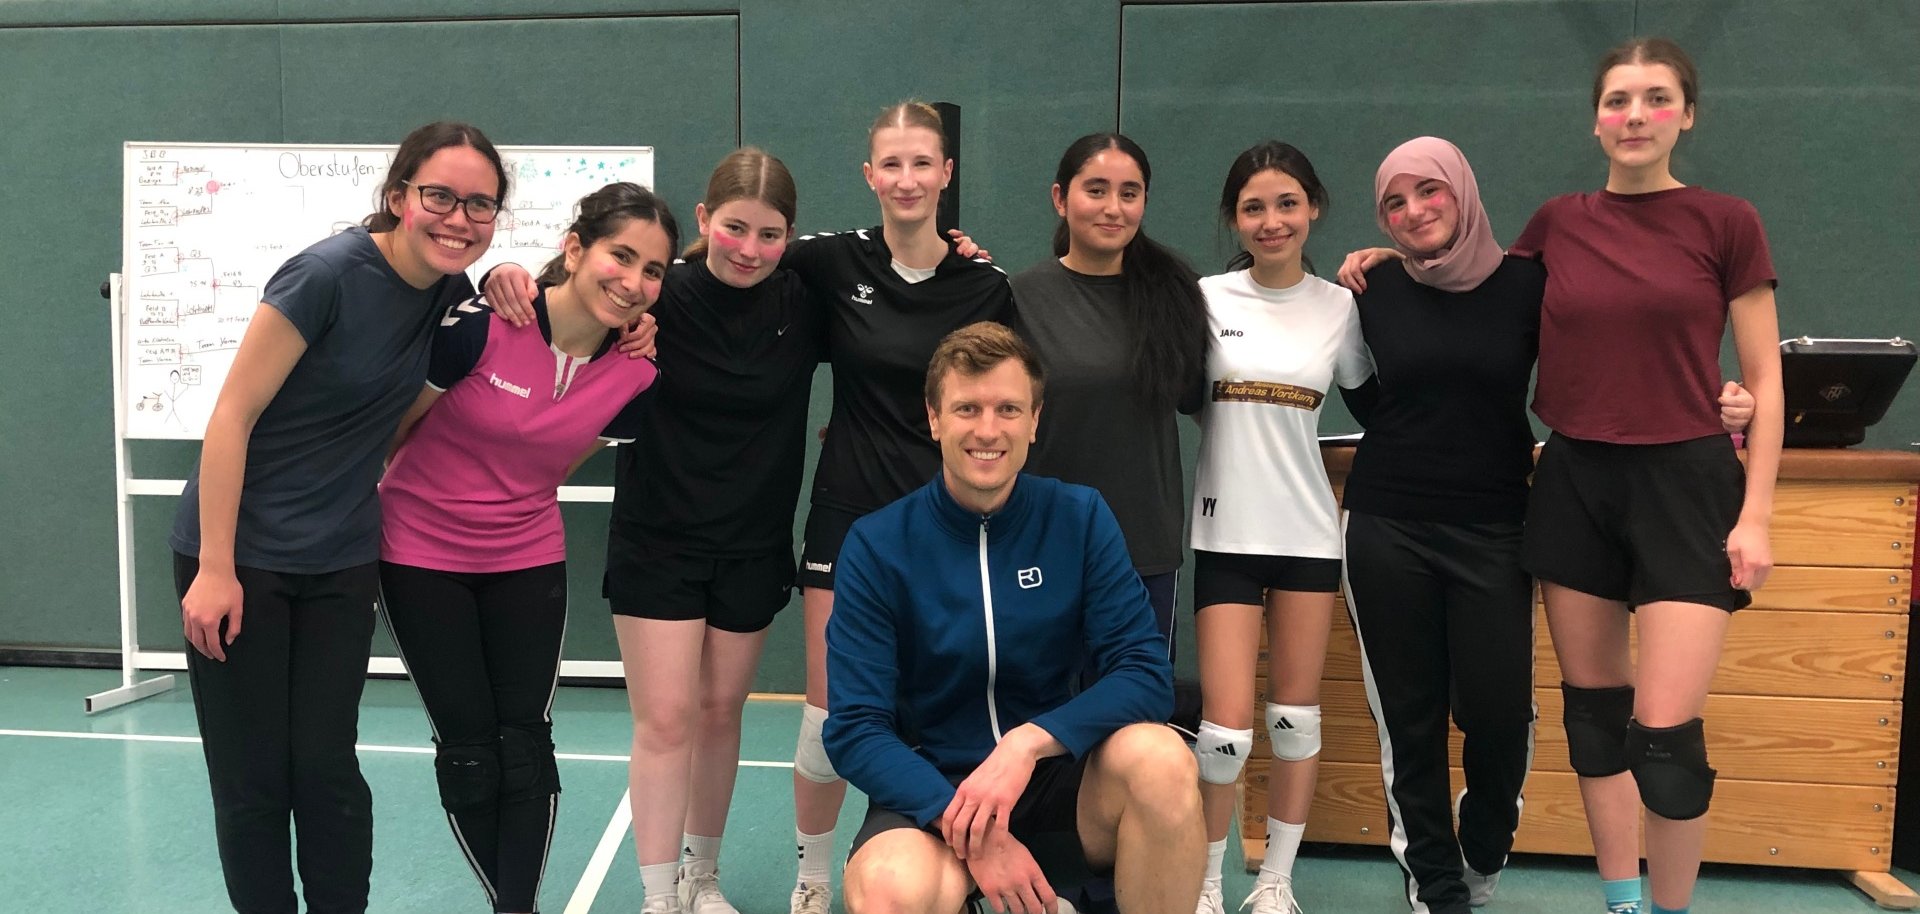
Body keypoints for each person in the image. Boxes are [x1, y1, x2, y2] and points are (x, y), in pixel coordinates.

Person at [1330, 137, 1756, 914]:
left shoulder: (1530, 281)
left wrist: (1727, 399)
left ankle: (1484, 846)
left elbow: (1622, 336)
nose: (1415, 211)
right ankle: (1435, 884)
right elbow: (1366, 399)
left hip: (1496, 523)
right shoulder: (1370, 288)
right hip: (1387, 524)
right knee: (1409, 720)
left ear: (1464, 192)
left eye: (1430, 191)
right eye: (1394, 202)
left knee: (1498, 716)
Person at [169, 121, 516, 914]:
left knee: (327, 770)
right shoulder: (324, 275)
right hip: (239, 553)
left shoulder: (451, 294)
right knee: (254, 778)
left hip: (342, 557)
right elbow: (231, 417)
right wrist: (216, 568)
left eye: (481, 205)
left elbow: (565, 298)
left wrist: (514, 276)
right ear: (398, 196)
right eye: (439, 196)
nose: (459, 218)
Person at [1509, 38, 1782, 914]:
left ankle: (1670, 909)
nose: (1636, 116)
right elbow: (1474, 299)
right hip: (1576, 480)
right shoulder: (1557, 223)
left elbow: (1766, 377)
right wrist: (1388, 262)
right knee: (1594, 723)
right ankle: (1622, 902)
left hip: (1687, 486)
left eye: (1657, 98)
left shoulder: (1727, 221)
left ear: (1687, 115)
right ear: (1596, 120)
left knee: (1664, 742)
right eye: (1618, 100)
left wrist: (1756, 514)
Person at [825, 321, 1204, 914]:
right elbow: (855, 728)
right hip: (935, 792)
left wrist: (1025, 745)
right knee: (888, 891)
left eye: (1008, 409)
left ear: (1034, 420)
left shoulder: (1080, 517)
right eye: (967, 408)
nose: (988, 430)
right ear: (934, 418)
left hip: (1057, 780)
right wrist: (974, 831)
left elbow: (1144, 673)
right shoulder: (877, 545)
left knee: (1164, 762)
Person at [377, 181, 677, 914]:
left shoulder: (637, 374)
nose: (633, 282)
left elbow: (557, 461)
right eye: (620, 256)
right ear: (575, 249)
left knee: (526, 743)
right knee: (469, 747)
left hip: (526, 559)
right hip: (418, 555)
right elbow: (393, 430)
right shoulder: (481, 325)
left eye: (652, 271)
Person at [782, 100, 1016, 914]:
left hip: (946, 527)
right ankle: (813, 876)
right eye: (892, 164)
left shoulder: (985, 283)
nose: (907, 178)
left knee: (942, 703)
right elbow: (733, 256)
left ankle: (954, 851)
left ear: (946, 174)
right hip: (848, 517)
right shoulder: (829, 261)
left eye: (923, 163)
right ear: (870, 175)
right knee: (828, 716)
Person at [602, 150, 822, 914]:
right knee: (665, 721)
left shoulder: (805, 300)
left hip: (752, 544)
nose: (749, 249)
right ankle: (659, 896)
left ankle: (702, 877)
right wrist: (506, 278)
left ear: (790, 237)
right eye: (734, 228)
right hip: (657, 540)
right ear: (703, 219)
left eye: (769, 235)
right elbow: (561, 295)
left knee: (721, 712)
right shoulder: (655, 295)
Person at [1188, 141, 1373, 914]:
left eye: (1287, 203)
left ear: (1314, 208)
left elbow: (1383, 406)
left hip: (1308, 538)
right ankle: (1203, 885)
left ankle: (1275, 884)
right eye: (1254, 207)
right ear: (1234, 217)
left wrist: (1394, 264)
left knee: (1295, 722)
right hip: (1225, 537)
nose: (1272, 221)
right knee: (1223, 733)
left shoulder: (1341, 307)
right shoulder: (1204, 299)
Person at [1011, 132, 1211, 653]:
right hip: (1041, 544)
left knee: (1135, 699)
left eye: (1129, 193)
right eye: (1096, 190)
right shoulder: (1017, 298)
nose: (1113, 208)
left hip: (1143, 547)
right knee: (1042, 699)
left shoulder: (1176, 295)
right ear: (1061, 198)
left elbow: (1197, 399)